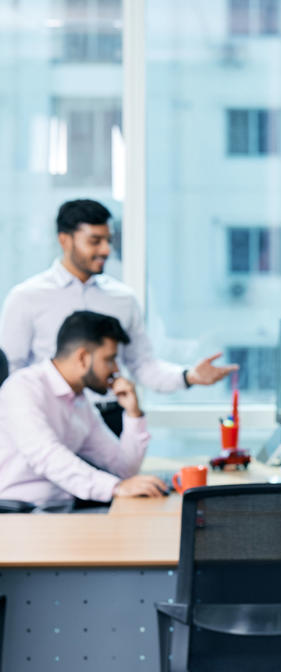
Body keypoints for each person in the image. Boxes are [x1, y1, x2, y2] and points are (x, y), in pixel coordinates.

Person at [0, 199, 236, 393]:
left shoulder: (123, 299)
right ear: (65, 240)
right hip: (50, 418)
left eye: (108, 241)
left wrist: (188, 376)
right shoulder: (26, 297)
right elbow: (10, 370)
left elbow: (142, 365)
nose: (105, 250)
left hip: (110, 419)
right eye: (95, 241)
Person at [0, 310, 167, 506]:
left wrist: (133, 414)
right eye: (109, 359)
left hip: (62, 508)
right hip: (20, 512)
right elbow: (47, 455)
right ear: (83, 358)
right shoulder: (23, 387)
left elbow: (124, 468)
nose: (116, 370)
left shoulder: (79, 401)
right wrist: (114, 487)